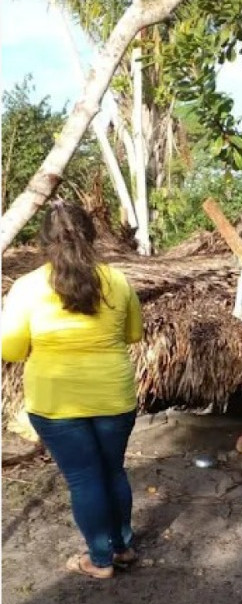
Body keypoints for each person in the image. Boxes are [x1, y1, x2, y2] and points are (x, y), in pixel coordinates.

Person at [0, 202, 144, 580]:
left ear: (43, 241)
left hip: (55, 400)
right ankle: (122, 547)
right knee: (113, 471)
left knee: (84, 478)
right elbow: (134, 334)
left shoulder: (27, 287)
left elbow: (10, 350)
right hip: (114, 395)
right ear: (92, 234)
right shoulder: (118, 280)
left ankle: (99, 561)